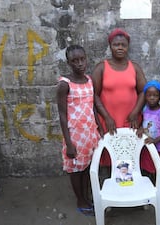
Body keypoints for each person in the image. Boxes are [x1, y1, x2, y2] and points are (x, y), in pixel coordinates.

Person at [56, 44, 102, 216]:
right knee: (76, 170)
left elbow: (93, 107)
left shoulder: (89, 80)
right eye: (75, 61)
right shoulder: (64, 84)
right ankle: (80, 200)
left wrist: (100, 129)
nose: (80, 63)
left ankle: (87, 196)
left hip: (90, 134)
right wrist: (68, 143)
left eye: (82, 59)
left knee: (87, 168)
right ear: (69, 63)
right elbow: (62, 115)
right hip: (75, 137)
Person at [92, 28, 147, 167]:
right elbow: (95, 96)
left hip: (131, 120)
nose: (120, 48)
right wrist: (106, 117)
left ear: (128, 47)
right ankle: (114, 182)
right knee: (112, 152)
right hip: (109, 120)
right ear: (110, 46)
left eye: (123, 45)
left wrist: (135, 112)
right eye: (116, 45)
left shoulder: (134, 67)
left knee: (130, 153)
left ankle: (129, 181)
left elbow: (144, 91)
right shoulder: (101, 68)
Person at [136, 80, 160, 176]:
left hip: (157, 146)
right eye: (149, 95)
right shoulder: (145, 109)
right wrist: (141, 129)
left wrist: (156, 140)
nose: (152, 98)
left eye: (155, 95)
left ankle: (156, 187)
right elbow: (143, 123)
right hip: (145, 144)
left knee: (154, 168)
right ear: (145, 96)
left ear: (159, 96)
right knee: (144, 167)